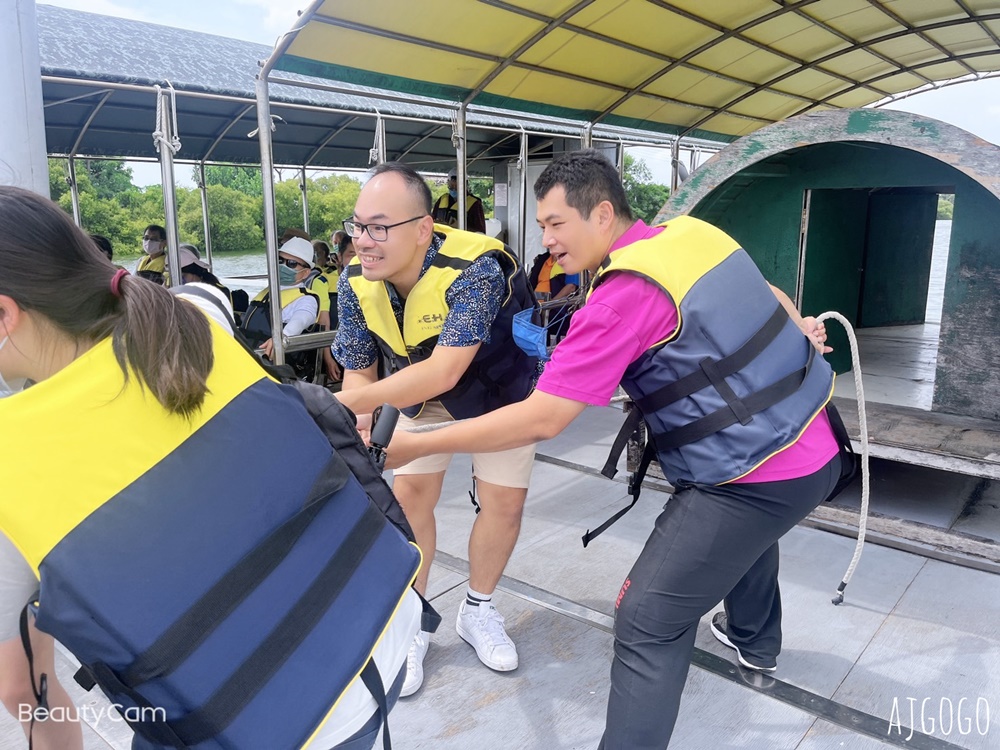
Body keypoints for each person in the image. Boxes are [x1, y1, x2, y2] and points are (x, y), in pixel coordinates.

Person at [382, 149, 842, 749]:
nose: (544, 240)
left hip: (749, 481)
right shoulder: (691, 234)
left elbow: (543, 418)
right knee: (741, 539)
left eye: (555, 224)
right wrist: (797, 324)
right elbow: (771, 289)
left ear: (602, 214)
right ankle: (754, 639)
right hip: (818, 441)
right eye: (540, 226)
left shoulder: (617, 299)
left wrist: (412, 444)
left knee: (647, 621)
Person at [0, 185, 419, 750]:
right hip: (380, 632)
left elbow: (28, 692)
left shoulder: (12, 463)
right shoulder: (196, 314)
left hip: (265, 723)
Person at [332, 162, 538, 697]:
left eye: (379, 226)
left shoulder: (477, 269)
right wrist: (353, 421)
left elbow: (446, 368)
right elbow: (360, 368)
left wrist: (343, 401)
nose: (364, 241)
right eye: (357, 226)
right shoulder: (354, 283)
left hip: (498, 398)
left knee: (503, 503)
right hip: (419, 400)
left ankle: (478, 609)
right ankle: (416, 622)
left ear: (423, 228)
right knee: (411, 495)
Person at [242, 235, 320, 362]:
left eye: (292, 263)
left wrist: (282, 337)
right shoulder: (268, 291)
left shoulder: (306, 299)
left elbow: (300, 320)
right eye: (280, 260)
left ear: (306, 272)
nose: (283, 266)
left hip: (273, 365)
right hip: (247, 356)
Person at [432, 167, 486, 233]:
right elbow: (432, 220)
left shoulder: (475, 204)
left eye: (457, 186)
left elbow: (480, 232)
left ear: (465, 185)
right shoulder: (442, 199)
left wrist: (461, 227)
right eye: (451, 186)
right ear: (448, 183)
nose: (454, 189)